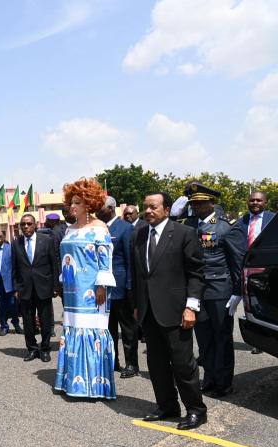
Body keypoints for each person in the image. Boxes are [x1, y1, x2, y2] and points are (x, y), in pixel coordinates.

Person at [132, 191, 207, 430]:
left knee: (183, 365)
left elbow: (196, 273)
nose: (148, 211)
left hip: (176, 311)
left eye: (153, 207)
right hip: (149, 312)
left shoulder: (184, 233)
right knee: (157, 364)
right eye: (146, 206)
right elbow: (138, 274)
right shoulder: (139, 234)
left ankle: (196, 410)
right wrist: (137, 305)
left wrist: (191, 307)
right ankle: (167, 406)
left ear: (166, 209)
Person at [53, 179, 117, 399]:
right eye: (71, 202)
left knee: (92, 331)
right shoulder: (70, 229)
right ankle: (71, 382)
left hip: (92, 291)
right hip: (72, 291)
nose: (72, 206)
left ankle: (94, 386)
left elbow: (105, 260)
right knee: (73, 328)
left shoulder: (99, 228)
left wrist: (101, 286)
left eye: (77, 202)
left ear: (89, 204)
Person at [182, 182, 245, 398]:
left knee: (222, 337)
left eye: (201, 203)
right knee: (204, 338)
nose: (196, 207)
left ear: (211, 203)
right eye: (193, 203)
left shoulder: (225, 226)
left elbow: (237, 261)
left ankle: (224, 383)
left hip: (219, 289)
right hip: (197, 291)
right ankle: (209, 378)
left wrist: (237, 291)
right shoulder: (189, 225)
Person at [96, 196, 138, 378]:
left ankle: (131, 364)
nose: (97, 210)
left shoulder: (125, 228)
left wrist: (130, 287)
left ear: (111, 208)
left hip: (120, 287)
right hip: (102, 288)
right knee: (108, 328)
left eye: (101, 207)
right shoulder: (97, 228)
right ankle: (113, 361)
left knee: (127, 328)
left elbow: (130, 260)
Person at [13, 214, 59, 362]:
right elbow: (13, 268)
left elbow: (54, 264)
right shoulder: (16, 243)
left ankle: (45, 349)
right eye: (23, 224)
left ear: (35, 225)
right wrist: (15, 288)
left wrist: (55, 286)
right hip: (25, 288)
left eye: (29, 224)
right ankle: (32, 349)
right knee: (28, 321)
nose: (26, 227)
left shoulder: (46, 240)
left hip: (43, 286)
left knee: (45, 320)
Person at [237, 191, 274, 354]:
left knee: (267, 304)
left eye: (259, 200)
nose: (255, 203)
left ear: (266, 203)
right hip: (247, 268)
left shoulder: (273, 219)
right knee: (251, 304)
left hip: (267, 268)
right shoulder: (241, 221)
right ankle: (257, 341)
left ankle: (268, 338)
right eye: (252, 200)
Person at [0, 230, 21, 335]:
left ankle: (16, 324)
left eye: (0, 236)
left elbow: (16, 266)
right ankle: (3, 326)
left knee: (13, 305)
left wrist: (17, 284)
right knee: (1, 306)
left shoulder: (10, 248)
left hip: (9, 282)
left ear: (3, 237)